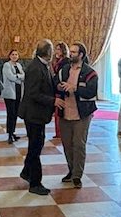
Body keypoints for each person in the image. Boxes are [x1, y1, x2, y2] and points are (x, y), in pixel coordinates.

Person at [56, 42, 97, 188]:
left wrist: (75, 89)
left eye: (74, 52)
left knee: (79, 144)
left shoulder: (90, 73)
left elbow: (91, 92)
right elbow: (55, 83)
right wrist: (59, 88)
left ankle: (77, 175)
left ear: (80, 55)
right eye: (70, 51)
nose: (70, 54)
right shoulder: (64, 70)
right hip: (65, 112)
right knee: (67, 144)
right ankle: (71, 170)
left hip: (82, 114)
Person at [19, 40, 56, 195]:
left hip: (37, 113)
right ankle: (35, 183)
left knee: (36, 145)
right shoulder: (35, 68)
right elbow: (33, 93)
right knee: (35, 147)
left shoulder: (41, 65)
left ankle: (26, 172)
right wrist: (53, 100)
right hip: (33, 114)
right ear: (48, 52)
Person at [1, 49, 24, 143]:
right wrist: (19, 77)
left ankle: (13, 132)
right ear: (9, 56)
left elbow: (24, 75)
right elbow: (11, 77)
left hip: (18, 92)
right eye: (13, 54)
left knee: (15, 114)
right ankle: (9, 134)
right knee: (10, 114)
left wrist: (18, 76)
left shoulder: (19, 65)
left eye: (16, 54)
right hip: (10, 93)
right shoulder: (7, 65)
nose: (14, 56)